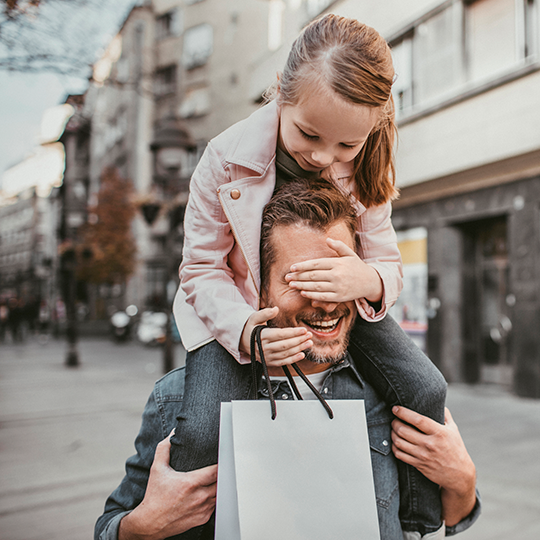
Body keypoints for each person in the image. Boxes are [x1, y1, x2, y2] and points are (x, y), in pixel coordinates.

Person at [171, 13, 446, 537]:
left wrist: (363, 281)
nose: (324, 158)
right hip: (240, 311)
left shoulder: (369, 164)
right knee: (203, 432)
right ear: (280, 94)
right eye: (309, 134)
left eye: (346, 146)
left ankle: (413, 520)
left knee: (425, 386)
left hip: (340, 306)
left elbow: (387, 263)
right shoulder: (225, 159)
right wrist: (250, 331)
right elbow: (201, 267)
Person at [95, 180, 480, 540]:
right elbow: (110, 525)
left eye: (337, 276)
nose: (326, 300)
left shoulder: (394, 389)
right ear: (257, 287)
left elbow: (435, 523)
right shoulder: (180, 398)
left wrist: (462, 483)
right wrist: (141, 526)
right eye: (301, 281)